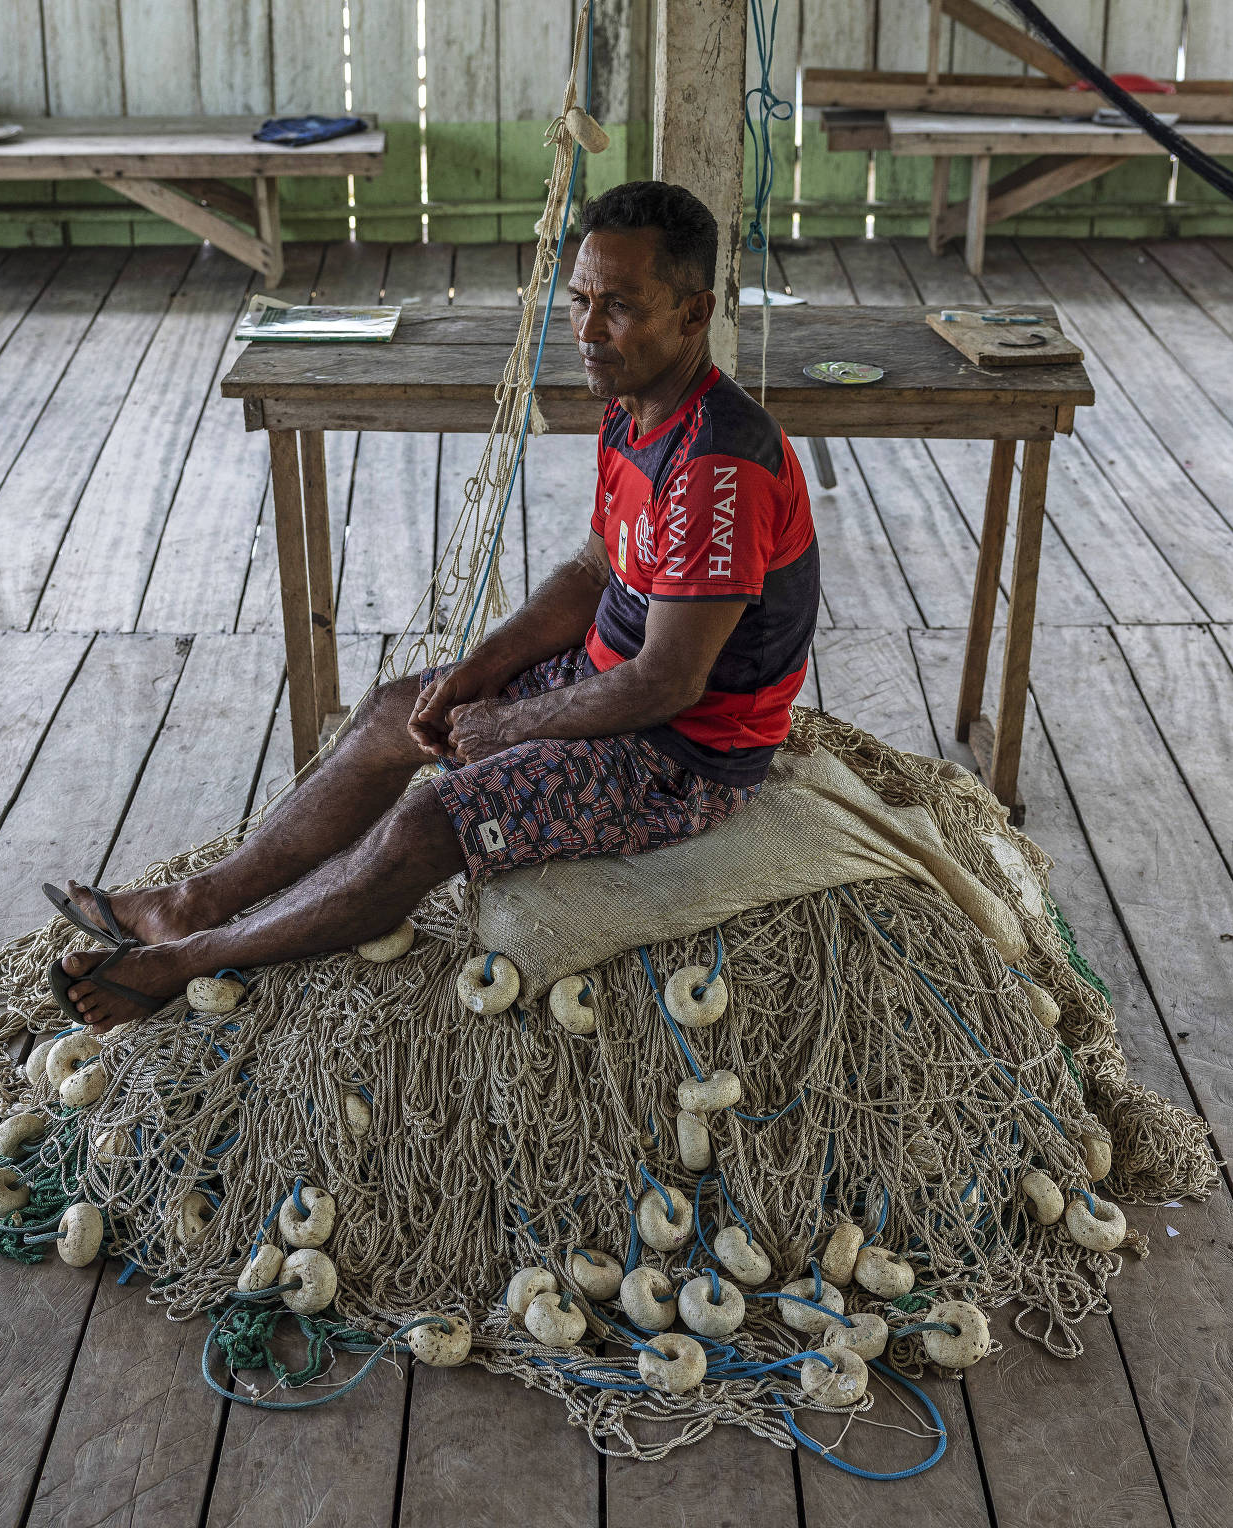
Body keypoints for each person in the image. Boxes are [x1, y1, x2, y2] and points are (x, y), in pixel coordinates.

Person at [48, 181, 819, 1030]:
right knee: (394, 712)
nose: (589, 331)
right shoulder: (636, 409)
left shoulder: (718, 465)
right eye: (581, 302)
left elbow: (668, 682)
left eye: (622, 308)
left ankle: (186, 959)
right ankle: (191, 903)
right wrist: (479, 672)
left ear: (694, 312)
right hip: (614, 683)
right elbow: (599, 568)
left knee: (429, 820)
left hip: (680, 754)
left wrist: (512, 727)